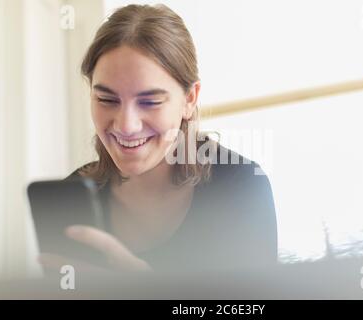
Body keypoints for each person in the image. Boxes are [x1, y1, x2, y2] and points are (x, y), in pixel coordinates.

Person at [38, 4, 277, 274]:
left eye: (150, 101)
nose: (126, 125)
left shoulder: (239, 188)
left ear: (189, 99)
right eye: (106, 99)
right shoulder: (70, 201)